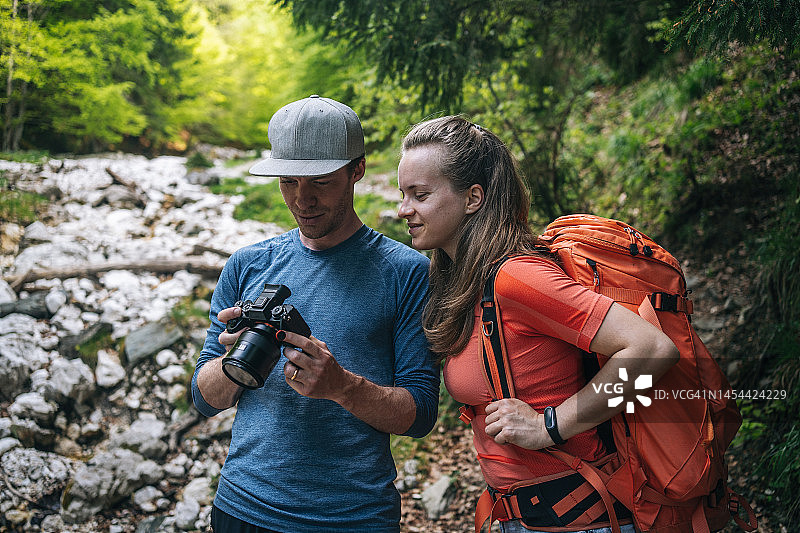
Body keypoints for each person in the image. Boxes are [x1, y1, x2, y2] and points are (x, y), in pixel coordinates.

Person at [396, 116, 680, 533]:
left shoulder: (517, 277)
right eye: (403, 194)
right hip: (526, 516)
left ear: (473, 197)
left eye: (420, 195)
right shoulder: (463, 282)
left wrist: (550, 425)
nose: (405, 209)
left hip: (579, 519)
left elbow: (653, 349)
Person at [191, 95, 440, 533]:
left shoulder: (405, 272)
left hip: (353, 517)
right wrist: (233, 364)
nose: (302, 199)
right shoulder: (247, 265)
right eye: (288, 181)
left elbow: (419, 414)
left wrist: (343, 387)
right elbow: (203, 399)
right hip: (242, 507)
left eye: (320, 181)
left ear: (356, 170)